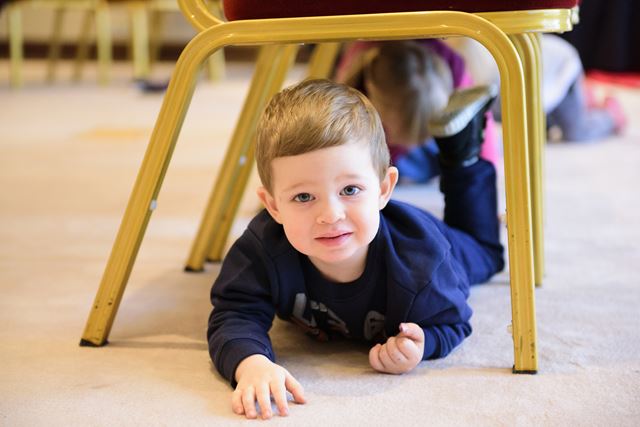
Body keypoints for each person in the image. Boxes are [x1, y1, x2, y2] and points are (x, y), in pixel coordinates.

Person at [207, 79, 503, 419]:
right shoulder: (262, 248)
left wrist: (424, 343)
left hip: (435, 240)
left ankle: (461, 153)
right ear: (273, 206)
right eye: (303, 196)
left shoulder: (425, 264)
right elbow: (234, 313)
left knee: (486, 253)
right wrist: (251, 363)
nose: (330, 215)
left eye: (349, 190)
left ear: (384, 188)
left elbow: (453, 323)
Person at [334, 40, 500, 183]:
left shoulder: (453, 66)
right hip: (386, 146)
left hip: (432, 137)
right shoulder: (354, 94)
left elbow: (481, 126)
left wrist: (488, 176)